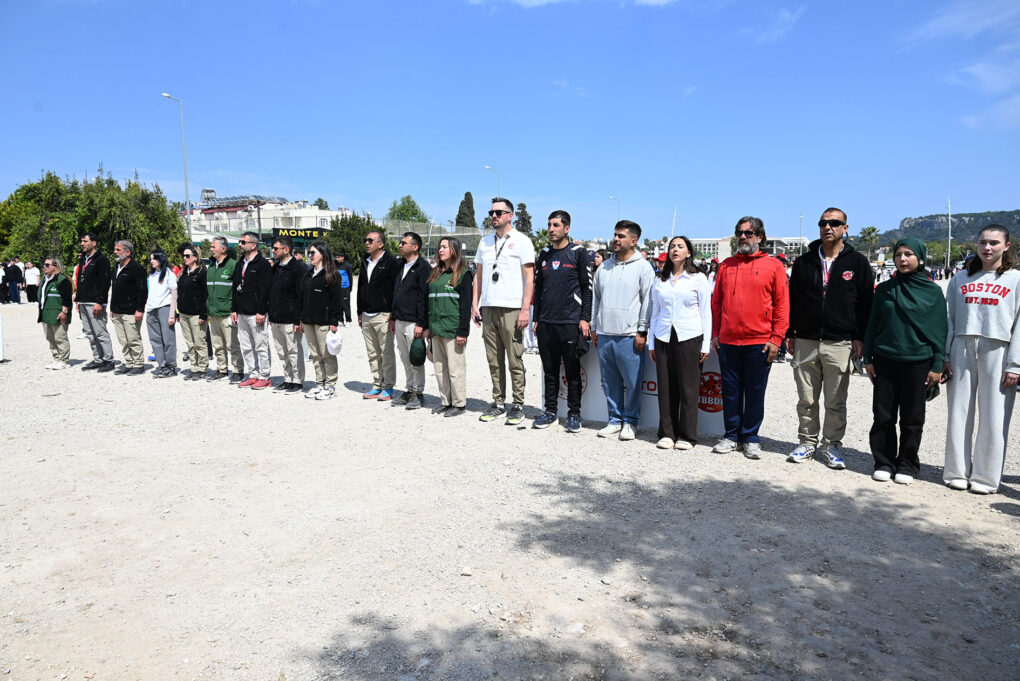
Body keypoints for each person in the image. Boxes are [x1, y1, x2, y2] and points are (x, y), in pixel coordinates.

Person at [786, 208, 874, 469]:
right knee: (806, 398)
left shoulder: (857, 262)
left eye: (834, 223)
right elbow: (793, 300)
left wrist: (860, 337)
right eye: (823, 223)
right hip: (806, 339)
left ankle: (831, 445)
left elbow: (866, 304)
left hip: (840, 341)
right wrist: (790, 332)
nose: (828, 227)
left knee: (835, 400)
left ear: (845, 228)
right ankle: (807, 442)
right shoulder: (804, 262)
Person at [862, 238, 947, 485]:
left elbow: (940, 331)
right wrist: (868, 358)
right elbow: (872, 325)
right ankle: (883, 462)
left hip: (918, 362)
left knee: (912, 418)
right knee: (883, 416)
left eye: (909, 254)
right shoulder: (885, 289)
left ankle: (908, 464)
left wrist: (936, 365)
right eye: (898, 254)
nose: (902, 259)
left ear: (920, 258)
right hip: (885, 360)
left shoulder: (933, 292)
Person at [943, 225, 1020, 494]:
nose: (987, 248)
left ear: (1006, 246)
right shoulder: (960, 278)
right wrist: (945, 354)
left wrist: (1015, 363)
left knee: (994, 416)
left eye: (994, 243)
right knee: (958, 412)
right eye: (983, 242)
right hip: (962, 345)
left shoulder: (1015, 279)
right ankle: (956, 471)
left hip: (998, 347)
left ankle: (986, 478)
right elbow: (949, 318)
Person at [710, 217, 790, 459]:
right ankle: (731, 435)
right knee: (730, 391)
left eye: (748, 233)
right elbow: (717, 303)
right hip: (729, 341)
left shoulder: (774, 266)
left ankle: (751, 437)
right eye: (739, 233)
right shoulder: (726, 265)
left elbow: (782, 305)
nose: (743, 237)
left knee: (755, 392)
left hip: (760, 342)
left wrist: (776, 338)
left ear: (760, 237)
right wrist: (716, 334)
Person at [472, 197, 536, 425]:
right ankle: (498, 402)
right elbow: (479, 276)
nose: (494, 216)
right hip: (489, 307)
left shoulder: (522, 241)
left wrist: (525, 309)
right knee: (493, 359)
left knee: (514, 358)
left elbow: (529, 278)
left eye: (498, 212)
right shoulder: (485, 242)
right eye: (491, 212)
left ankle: (518, 405)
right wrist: (475, 304)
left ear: (510, 215)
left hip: (512, 308)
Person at [591, 220, 656, 441]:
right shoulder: (603, 267)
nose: (616, 239)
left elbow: (648, 301)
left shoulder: (643, 267)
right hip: (605, 332)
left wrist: (642, 330)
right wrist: (594, 326)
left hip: (630, 335)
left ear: (634, 241)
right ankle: (614, 420)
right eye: (615, 235)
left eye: (621, 236)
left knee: (633, 382)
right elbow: (596, 299)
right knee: (609, 382)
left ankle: (630, 421)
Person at [648, 236, 711, 450]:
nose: (675, 249)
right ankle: (667, 433)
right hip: (663, 336)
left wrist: (705, 344)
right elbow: (655, 312)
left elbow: (705, 312)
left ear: (688, 252)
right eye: (672, 246)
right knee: (666, 388)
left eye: (680, 246)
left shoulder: (698, 278)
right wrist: (651, 343)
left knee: (688, 388)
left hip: (689, 337)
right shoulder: (660, 279)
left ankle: (686, 435)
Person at [531, 210, 591, 433]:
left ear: (567, 228)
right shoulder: (545, 254)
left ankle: (574, 414)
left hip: (570, 322)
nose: (551, 229)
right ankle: (550, 412)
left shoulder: (578, 252)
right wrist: (537, 318)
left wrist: (585, 318)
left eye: (556, 225)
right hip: (546, 322)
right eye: (549, 225)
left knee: (572, 371)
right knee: (549, 371)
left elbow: (587, 288)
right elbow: (539, 289)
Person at [425, 237, 474, 417]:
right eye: (440, 247)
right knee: (439, 368)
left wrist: (463, 331)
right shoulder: (435, 273)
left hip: (453, 330)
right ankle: (445, 401)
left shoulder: (463, 273)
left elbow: (465, 305)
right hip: (436, 328)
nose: (440, 250)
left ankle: (459, 404)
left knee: (455, 369)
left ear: (454, 250)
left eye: (444, 247)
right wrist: (427, 326)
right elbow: (428, 301)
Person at [390, 231, 432, 409]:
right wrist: (393, 317)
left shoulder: (423, 268)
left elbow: (424, 297)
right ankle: (409, 389)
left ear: (415, 247)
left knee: (415, 358)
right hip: (400, 319)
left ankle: (418, 393)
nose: (400, 245)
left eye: (403, 243)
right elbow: (395, 292)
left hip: (414, 322)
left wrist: (421, 323)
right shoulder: (400, 265)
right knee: (405, 358)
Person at [358, 230, 400, 400]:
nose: (366, 243)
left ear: (381, 244)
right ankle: (377, 384)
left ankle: (388, 386)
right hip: (366, 314)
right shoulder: (365, 262)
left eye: (370, 240)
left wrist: (393, 313)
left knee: (386, 353)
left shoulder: (391, 262)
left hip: (384, 314)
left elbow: (396, 288)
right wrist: (359, 312)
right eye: (365, 240)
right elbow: (360, 288)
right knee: (372, 353)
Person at [299, 241, 343, 400]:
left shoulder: (332, 275)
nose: (310, 255)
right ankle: (319, 383)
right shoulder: (308, 274)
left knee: (327, 354)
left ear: (322, 255)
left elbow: (336, 301)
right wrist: (302, 318)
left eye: (313, 253)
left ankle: (330, 386)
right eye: (309, 253)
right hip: (308, 321)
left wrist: (334, 321)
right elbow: (302, 298)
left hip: (324, 321)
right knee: (315, 355)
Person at [232, 232, 273, 389]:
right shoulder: (240, 263)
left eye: (243, 242)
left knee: (260, 345)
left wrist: (261, 311)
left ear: (253, 245)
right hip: (242, 312)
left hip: (256, 312)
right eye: (240, 241)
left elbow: (265, 290)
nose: (240, 245)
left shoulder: (262, 264)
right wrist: (234, 309)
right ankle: (253, 374)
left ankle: (264, 376)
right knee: (246, 346)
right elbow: (235, 288)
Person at [268, 236, 307, 393]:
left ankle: (298, 381)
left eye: (275, 248)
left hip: (290, 318)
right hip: (276, 317)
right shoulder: (275, 268)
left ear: (286, 249)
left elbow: (300, 295)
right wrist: (271, 314)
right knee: (282, 351)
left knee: (294, 350)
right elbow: (271, 293)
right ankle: (288, 379)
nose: (273, 251)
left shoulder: (298, 268)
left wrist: (298, 320)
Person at [206, 237, 244, 382]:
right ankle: (222, 369)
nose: (211, 249)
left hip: (227, 312)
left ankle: (238, 370)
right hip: (214, 312)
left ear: (223, 249)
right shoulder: (211, 266)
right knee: (217, 344)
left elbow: (237, 290)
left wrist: (235, 309)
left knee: (232, 344)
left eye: (213, 246)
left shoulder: (233, 265)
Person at [75, 232, 114, 372]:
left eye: (85, 241)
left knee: (100, 332)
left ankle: (108, 360)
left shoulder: (102, 259)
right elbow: (80, 279)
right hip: (83, 301)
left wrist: (100, 302)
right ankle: (98, 359)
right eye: (82, 241)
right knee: (90, 333)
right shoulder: (83, 258)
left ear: (94, 243)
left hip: (95, 302)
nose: (82, 244)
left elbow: (105, 282)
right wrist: (78, 299)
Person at [109, 240, 148, 375]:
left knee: (133, 339)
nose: (115, 252)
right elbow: (114, 289)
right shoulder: (116, 267)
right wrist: (112, 309)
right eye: (115, 249)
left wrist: (140, 309)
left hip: (131, 311)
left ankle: (138, 364)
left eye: (118, 250)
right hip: (117, 311)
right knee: (123, 340)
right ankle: (129, 363)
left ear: (128, 252)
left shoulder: (137, 268)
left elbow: (142, 290)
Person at [177, 245, 209, 381]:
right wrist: (177, 312)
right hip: (184, 313)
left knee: (199, 342)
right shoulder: (184, 273)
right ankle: (194, 367)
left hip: (197, 314)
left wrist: (203, 314)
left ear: (195, 257)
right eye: (183, 256)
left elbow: (205, 295)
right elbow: (180, 294)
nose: (184, 258)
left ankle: (202, 368)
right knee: (189, 343)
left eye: (187, 256)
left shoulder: (202, 273)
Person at [145, 250, 179, 378]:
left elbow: (174, 295)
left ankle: (171, 366)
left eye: (154, 258)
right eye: (151, 259)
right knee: (155, 339)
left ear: (160, 259)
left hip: (164, 308)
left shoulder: (169, 274)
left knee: (168, 339)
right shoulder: (152, 275)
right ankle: (162, 364)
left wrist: (172, 315)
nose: (151, 261)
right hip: (151, 310)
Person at [37, 257, 73, 369]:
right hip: (46, 313)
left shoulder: (62, 280)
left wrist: (64, 312)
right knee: (50, 338)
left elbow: (67, 298)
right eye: (44, 264)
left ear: (56, 267)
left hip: (58, 313)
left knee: (60, 337)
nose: (45, 267)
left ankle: (64, 360)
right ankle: (56, 358)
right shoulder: (45, 279)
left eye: (47, 265)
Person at [336, 252, 354, 325]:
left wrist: (350, 288)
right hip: (338, 288)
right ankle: (340, 320)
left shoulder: (347, 265)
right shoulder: (336, 265)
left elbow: (350, 277)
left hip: (345, 288)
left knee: (346, 305)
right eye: (337, 257)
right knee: (339, 304)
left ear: (343, 257)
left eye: (339, 257)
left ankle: (348, 321)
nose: (337, 259)